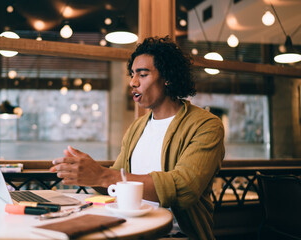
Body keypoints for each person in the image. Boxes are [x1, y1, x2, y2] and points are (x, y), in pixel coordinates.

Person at [50, 36, 225, 240]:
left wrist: (102, 175)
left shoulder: (206, 124)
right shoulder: (137, 127)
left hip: (175, 234)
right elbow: (116, 179)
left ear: (167, 77)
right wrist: (87, 172)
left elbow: (184, 188)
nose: (133, 82)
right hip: (131, 228)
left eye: (142, 74)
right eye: (132, 74)